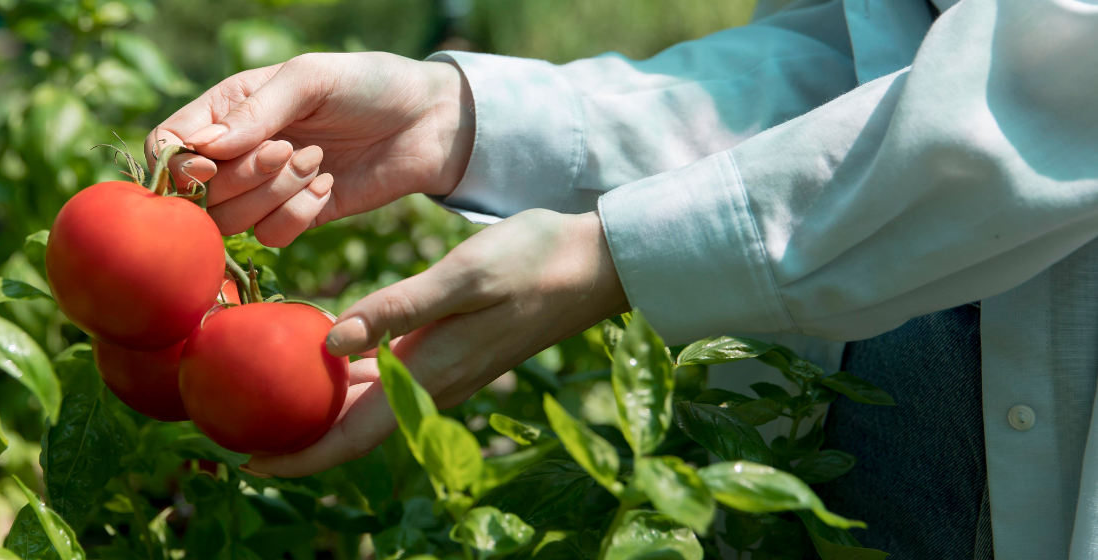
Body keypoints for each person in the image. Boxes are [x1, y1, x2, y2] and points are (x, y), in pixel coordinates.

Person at [147, 0, 1098, 557]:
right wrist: (454, 118)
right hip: (884, 413)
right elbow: (877, 48)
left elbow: (1059, 89)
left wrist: (618, 254)